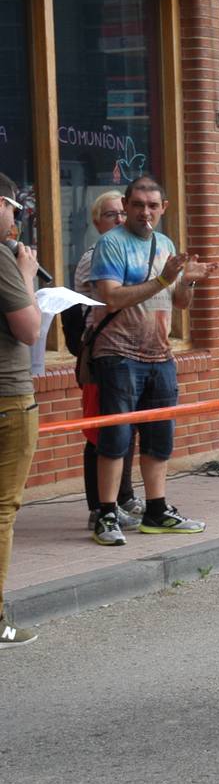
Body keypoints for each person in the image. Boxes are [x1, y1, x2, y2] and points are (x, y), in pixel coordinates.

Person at [88, 177, 217, 547]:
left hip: (160, 354)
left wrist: (187, 282)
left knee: (159, 439)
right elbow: (111, 298)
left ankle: (156, 510)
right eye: (138, 204)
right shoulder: (110, 244)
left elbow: (178, 304)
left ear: (164, 208)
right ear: (126, 205)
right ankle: (106, 513)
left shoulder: (165, 244)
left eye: (153, 206)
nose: (145, 212)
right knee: (115, 438)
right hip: (119, 354)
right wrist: (165, 278)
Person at [61, 191, 141, 532]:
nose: (120, 220)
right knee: (101, 432)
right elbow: (114, 300)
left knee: (128, 426)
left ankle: (123, 496)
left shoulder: (131, 252)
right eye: (112, 215)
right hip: (102, 355)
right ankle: (100, 506)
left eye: (124, 214)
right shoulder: (95, 257)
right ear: (97, 222)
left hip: (133, 353)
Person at [0, 173, 40, 647]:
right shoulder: (3, 258)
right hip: (7, 397)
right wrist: (28, 278)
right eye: (13, 207)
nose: (16, 218)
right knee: (3, 510)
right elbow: (30, 331)